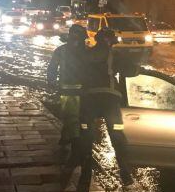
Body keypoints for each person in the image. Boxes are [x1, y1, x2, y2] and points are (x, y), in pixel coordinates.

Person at [81, 28, 127, 160]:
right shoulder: (114, 54)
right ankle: (124, 168)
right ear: (110, 41)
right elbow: (129, 69)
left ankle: (85, 166)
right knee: (117, 131)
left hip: (90, 98)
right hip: (110, 98)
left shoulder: (87, 54)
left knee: (86, 131)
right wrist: (140, 69)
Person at [47, 24, 87, 145]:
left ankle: (65, 139)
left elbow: (52, 68)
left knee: (70, 116)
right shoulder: (88, 52)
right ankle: (75, 143)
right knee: (75, 117)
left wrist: (52, 82)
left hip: (67, 89)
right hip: (82, 90)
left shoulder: (61, 50)